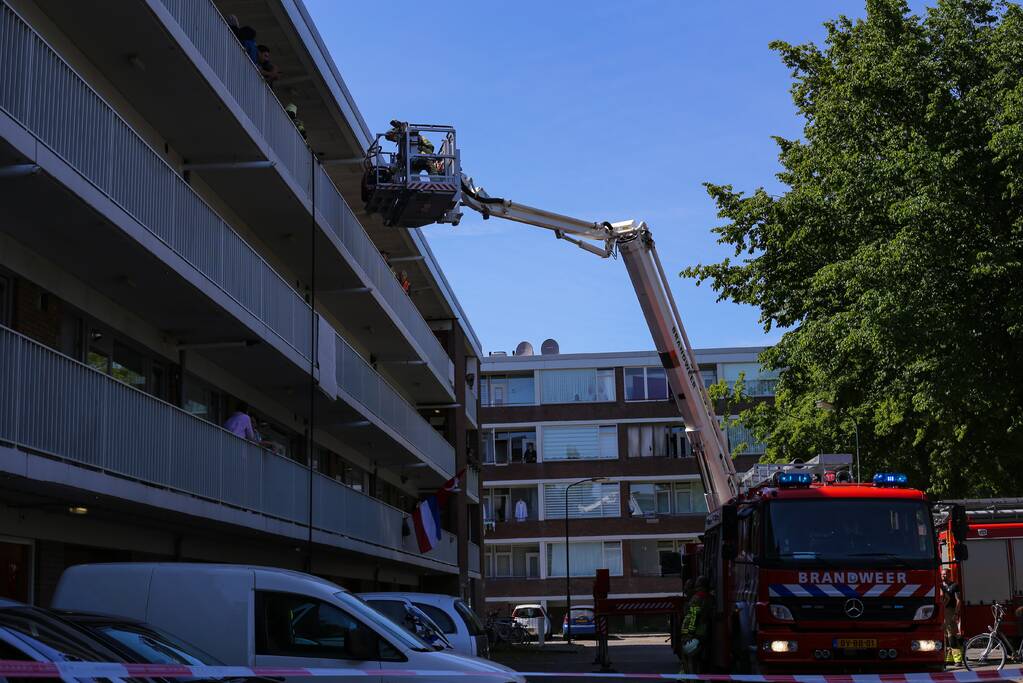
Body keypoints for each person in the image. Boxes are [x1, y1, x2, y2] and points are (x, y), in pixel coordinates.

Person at [680, 576, 710, 674]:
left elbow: (694, 616)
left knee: (692, 661)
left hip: (695, 634)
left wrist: (690, 633)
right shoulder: (707, 597)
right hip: (701, 633)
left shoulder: (697, 598)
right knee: (698, 662)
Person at [942, 568, 963, 667]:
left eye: (945, 574)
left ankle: (958, 660)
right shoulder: (941, 586)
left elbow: (958, 600)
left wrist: (955, 613)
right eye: (942, 574)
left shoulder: (954, 586)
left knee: (952, 636)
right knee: (945, 637)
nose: (943, 576)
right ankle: (949, 659)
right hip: (942, 612)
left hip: (950, 611)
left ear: (949, 575)